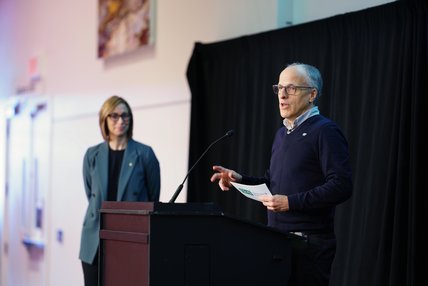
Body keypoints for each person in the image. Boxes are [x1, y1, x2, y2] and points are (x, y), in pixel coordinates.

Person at [210, 63, 352, 286]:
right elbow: (272, 182)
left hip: (309, 246)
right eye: (279, 88)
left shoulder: (325, 131)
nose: (282, 95)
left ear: (312, 94)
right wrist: (241, 179)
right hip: (276, 242)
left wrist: (291, 203)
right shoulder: (281, 134)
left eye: (291, 88)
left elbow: (341, 185)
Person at [79, 95, 161, 286]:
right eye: (114, 116)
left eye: (125, 116)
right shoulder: (92, 154)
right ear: (104, 120)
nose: (120, 121)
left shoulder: (145, 154)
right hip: (94, 242)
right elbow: (90, 192)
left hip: (130, 239)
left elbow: (153, 198)